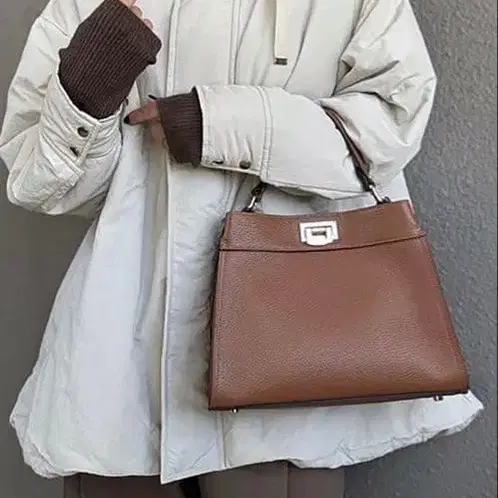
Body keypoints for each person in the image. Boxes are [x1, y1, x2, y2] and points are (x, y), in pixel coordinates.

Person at [0, 0, 483, 497]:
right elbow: (39, 184)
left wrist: (222, 124)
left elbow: (389, 129)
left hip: (290, 374)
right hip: (124, 373)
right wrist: (84, 92)